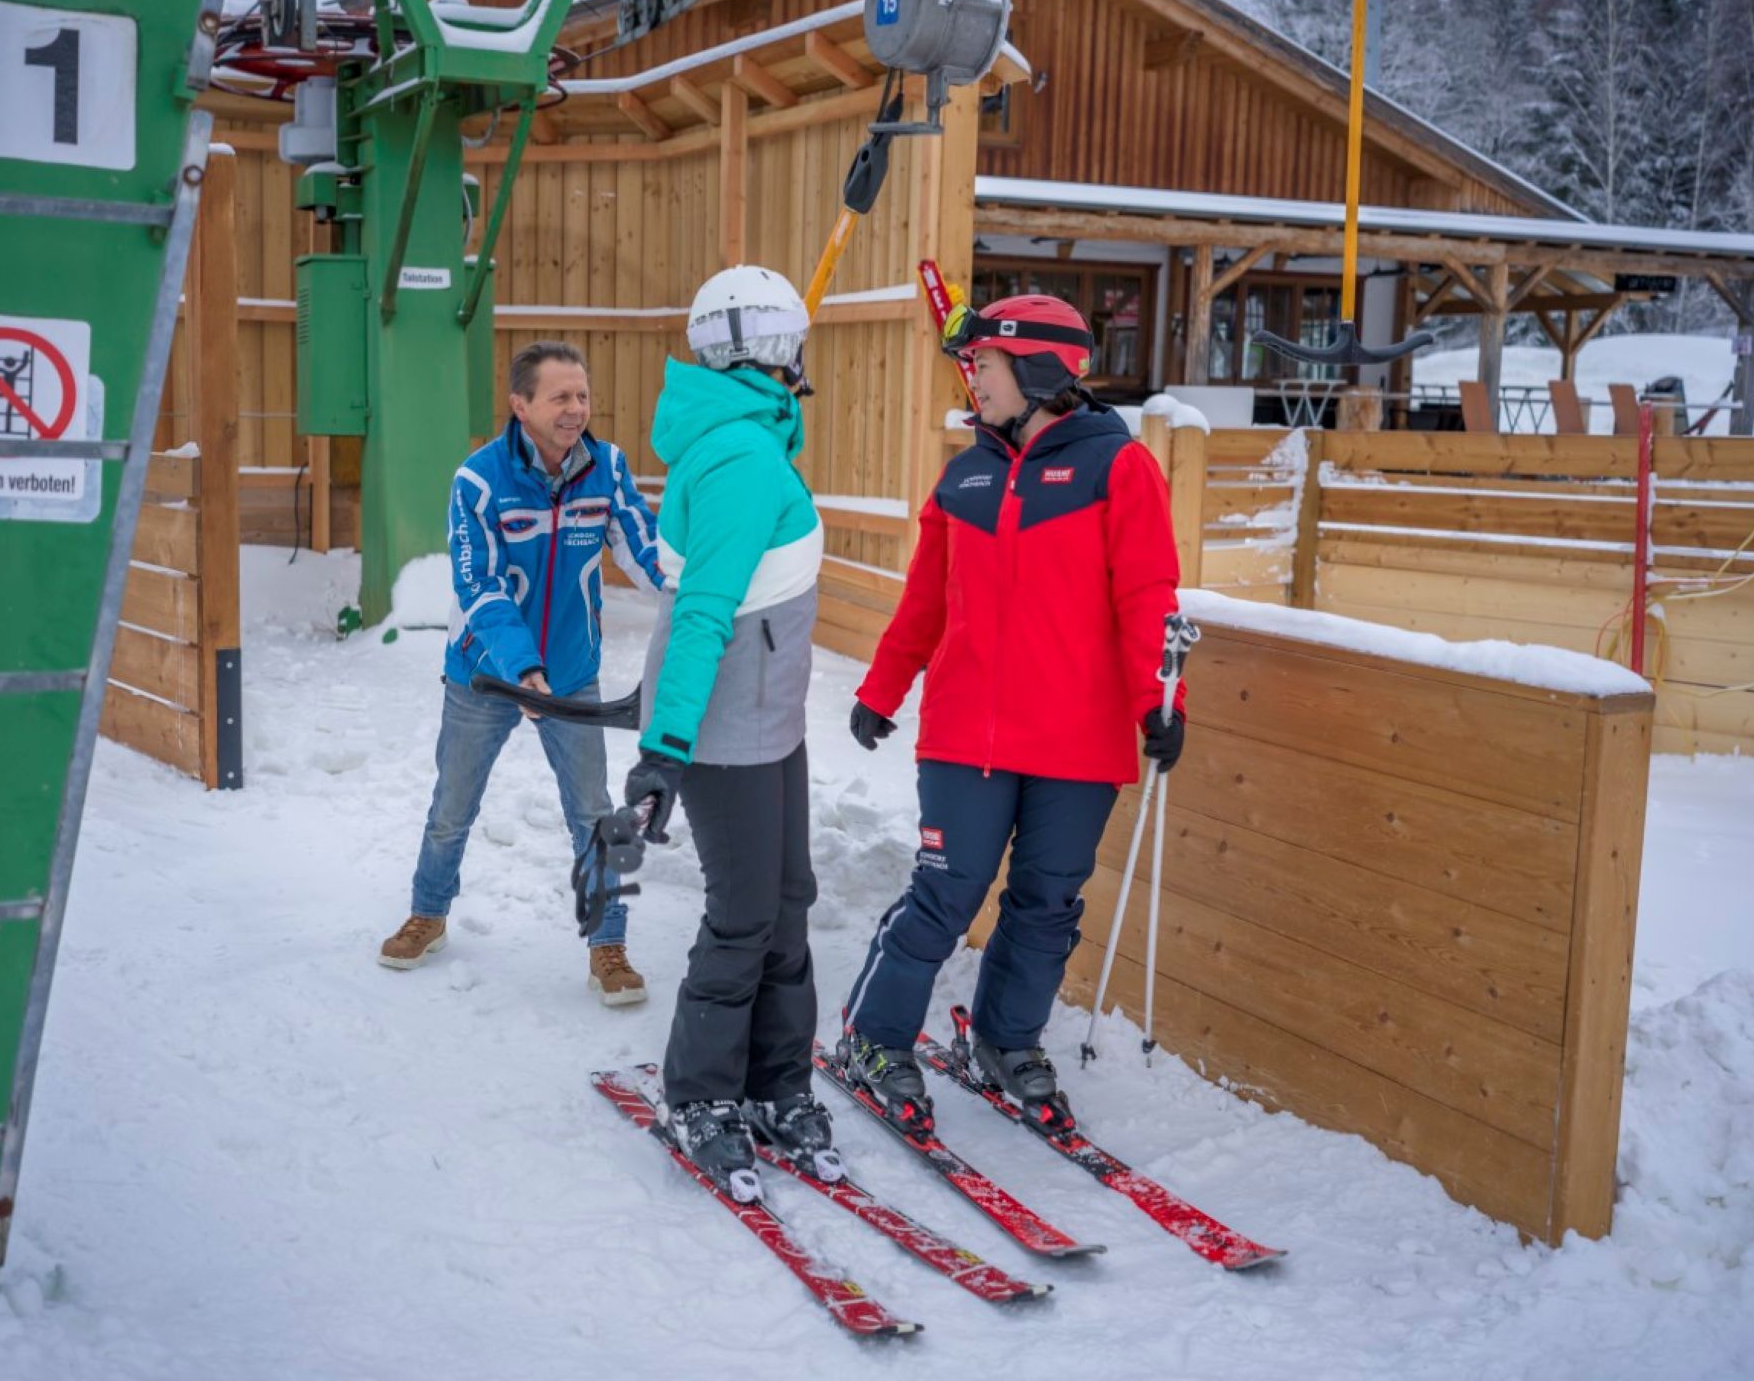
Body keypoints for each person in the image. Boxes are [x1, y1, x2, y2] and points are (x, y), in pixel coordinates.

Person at [830, 292, 1186, 1134]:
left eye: (984, 364)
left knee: (1046, 902)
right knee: (946, 895)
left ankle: (1007, 1039)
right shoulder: (965, 475)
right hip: (968, 737)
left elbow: (1147, 597)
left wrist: (1160, 704)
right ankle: (874, 1036)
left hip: (1079, 739)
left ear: (1038, 369)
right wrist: (883, 689)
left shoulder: (1118, 469)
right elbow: (925, 602)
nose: (973, 381)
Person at [623, 265, 839, 1199]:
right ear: (770, 352)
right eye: (794, 346)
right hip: (720, 734)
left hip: (767, 719)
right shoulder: (745, 461)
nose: (801, 362)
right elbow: (703, 611)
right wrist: (665, 749)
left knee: (788, 903)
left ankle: (776, 1084)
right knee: (747, 915)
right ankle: (701, 1095)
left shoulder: (744, 436)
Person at [382, 341, 663, 1006]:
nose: (576, 410)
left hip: (572, 673)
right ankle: (429, 912)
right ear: (521, 405)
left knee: (594, 813)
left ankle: (608, 944)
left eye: (583, 396)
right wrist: (521, 670)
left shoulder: (608, 468)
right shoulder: (478, 481)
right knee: (453, 806)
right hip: (484, 675)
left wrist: (696, 602)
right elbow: (479, 587)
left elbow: (647, 550)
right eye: (560, 397)